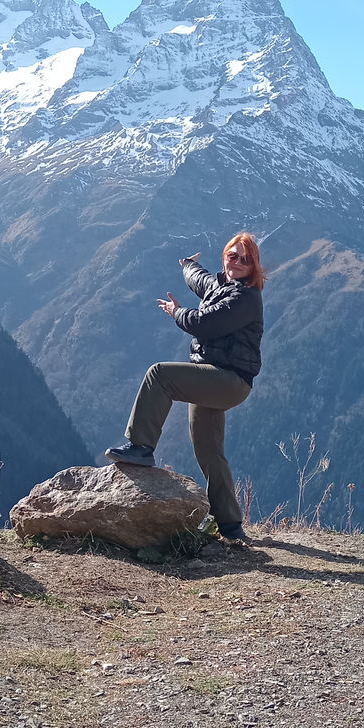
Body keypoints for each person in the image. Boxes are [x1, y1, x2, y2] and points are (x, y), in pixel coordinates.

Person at [105, 233, 265, 543]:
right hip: (212, 376)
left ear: (253, 266)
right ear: (225, 256)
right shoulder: (222, 286)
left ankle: (140, 447)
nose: (236, 262)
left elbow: (204, 324)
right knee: (208, 451)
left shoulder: (245, 299)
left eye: (245, 259)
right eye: (232, 255)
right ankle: (231, 527)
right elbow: (200, 280)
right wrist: (187, 265)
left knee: (159, 376)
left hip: (229, 381)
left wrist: (176, 313)